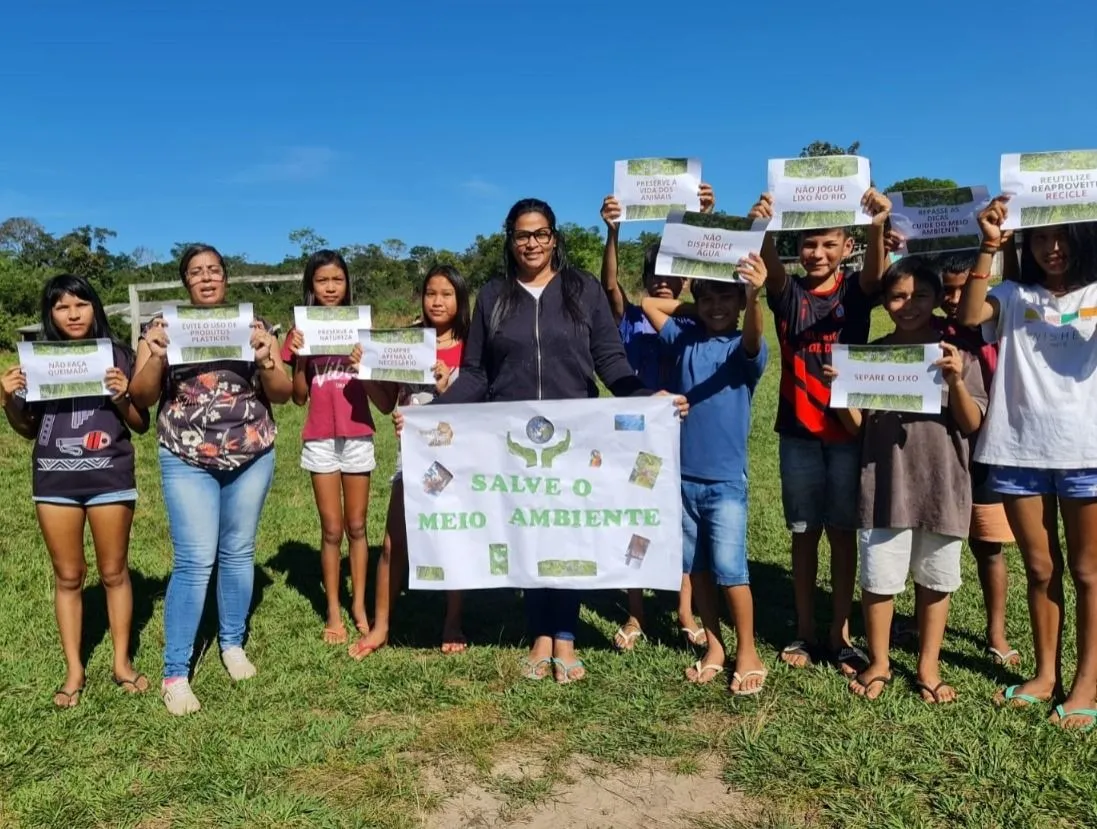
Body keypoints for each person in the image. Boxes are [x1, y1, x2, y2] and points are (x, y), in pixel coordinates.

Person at [424, 198, 687, 684]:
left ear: (554, 237)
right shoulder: (493, 295)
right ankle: (538, 633)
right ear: (510, 238)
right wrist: (429, 415)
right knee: (528, 530)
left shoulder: (581, 289)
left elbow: (611, 362)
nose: (532, 243)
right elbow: (477, 374)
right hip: (512, 438)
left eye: (541, 234)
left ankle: (563, 634)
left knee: (565, 531)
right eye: (523, 235)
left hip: (573, 435)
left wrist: (650, 398)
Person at [129, 244, 293, 715]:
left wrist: (266, 358)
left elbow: (281, 393)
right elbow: (139, 396)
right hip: (186, 454)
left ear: (225, 279)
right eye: (196, 272)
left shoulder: (255, 325)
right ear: (185, 282)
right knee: (195, 559)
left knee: (239, 552)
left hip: (251, 452)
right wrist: (157, 356)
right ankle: (175, 672)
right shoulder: (160, 326)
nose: (206, 278)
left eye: (214, 271)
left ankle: (232, 643)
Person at [959, 198, 1097, 730]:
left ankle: (1086, 683)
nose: (1052, 248)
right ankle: (1045, 675)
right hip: (1019, 450)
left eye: (1062, 238)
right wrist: (989, 244)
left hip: (1085, 452)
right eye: (1041, 239)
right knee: (1041, 570)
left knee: (1088, 573)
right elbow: (972, 317)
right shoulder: (1013, 295)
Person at [827, 258, 987, 703]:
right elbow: (858, 428)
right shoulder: (873, 357)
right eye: (898, 296)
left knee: (937, 579)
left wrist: (955, 381)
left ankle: (927, 665)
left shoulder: (957, 353)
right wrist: (842, 395)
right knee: (879, 577)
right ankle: (879, 661)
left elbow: (971, 422)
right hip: (884, 485)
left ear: (937, 300)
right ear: (884, 303)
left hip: (943, 484)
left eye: (920, 296)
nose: (909, 304)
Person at [748, 188, 891, 674]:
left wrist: (877, 225)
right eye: (809, 244)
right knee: (804, 533)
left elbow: (876, 272)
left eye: (829, 245)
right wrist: (763, 225)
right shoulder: (788, 293)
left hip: (849, 433)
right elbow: (768, 263)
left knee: (844, 533)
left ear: (845, 248)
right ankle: (805, 632)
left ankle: (841, 634)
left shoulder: (856, 293)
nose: (818, 254)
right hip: (799, 433)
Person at [0, 274, 151, 708]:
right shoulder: (35, 362)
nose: (72, 313)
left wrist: (124, 396)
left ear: (95, 308)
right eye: (62, 306)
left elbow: (140, 423)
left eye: (81, 304)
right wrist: (9, 400)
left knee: (114, 573)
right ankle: (74, 670)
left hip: (109, 478)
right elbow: (28, 429)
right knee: (68, 577)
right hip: (54, 481)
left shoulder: (118, 355)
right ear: (50, 314)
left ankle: (122, 663)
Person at [639, 260, 770, 694]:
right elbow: (647, 302)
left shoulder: (742, 348)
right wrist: (697, 307)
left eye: (724, 298)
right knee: (695, 571)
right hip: (682, 478)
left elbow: (753, 333)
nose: (715, 307)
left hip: (726, 482)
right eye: (707, 298)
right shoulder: (684, 338)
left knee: (731, 570)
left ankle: (747, 649)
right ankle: (715, 644)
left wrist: (751, 297)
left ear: (738, 303)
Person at [599, 186, 714, 652]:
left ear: (685, 280)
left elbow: (725, 282)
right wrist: (613, 232)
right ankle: (635, 612)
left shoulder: (693, 321)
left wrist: (704, 219)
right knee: (639, 519)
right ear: (645, 278)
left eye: (673, 275)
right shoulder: (627, 318)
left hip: (685, 434)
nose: (663, 283)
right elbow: (609, 285)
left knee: (683, 521)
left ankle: (685, 612)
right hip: (637, 438)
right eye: (655, 275)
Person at [350, 264, 471, 659]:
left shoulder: (471, 346)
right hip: (412, 458)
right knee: (392, 543)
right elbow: (387, 402)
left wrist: (447, 386)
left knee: (453, 538)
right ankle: (383, 625)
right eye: (430, 293)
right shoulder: (405, 342)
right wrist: (365, 372)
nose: (437, 301)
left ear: (460, 299)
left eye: (446, 294)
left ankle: (453, 620)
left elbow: (481, 404)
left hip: (457, 459)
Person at [282, 250, 385, 644]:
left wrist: (367, 359)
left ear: (347, 286)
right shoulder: (301, 330)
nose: (329, 287)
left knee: (358, 526)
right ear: (311, 285)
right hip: (320, 437)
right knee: (331, 529)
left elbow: (379, 383)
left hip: (358, 431)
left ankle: (359, 605)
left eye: (337, 281)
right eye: (322, 281)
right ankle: (332, 611)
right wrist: (302, 359)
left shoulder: (362, 326)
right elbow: (296, 397)